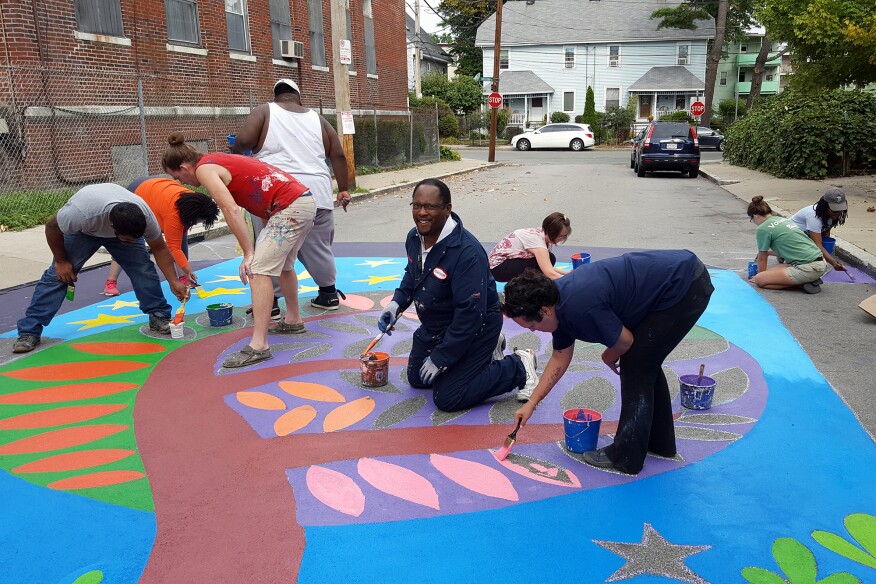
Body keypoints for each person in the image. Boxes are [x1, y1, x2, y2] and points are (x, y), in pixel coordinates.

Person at [501, 250, 714, 475]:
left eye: (531, 326)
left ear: (544, 311)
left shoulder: (579, 306)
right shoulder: (555, 304)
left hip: (683, 285)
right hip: (672, 279)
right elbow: (559, 357)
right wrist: (531, 403)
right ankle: (659, 443)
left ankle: (626, 456)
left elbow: (625, 341)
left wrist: (608, 355)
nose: (534, 331)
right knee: (645, 360)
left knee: (636, 364)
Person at [376, 178, 540, 412]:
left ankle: (518, 365)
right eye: (416, 205)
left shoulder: (467, 252)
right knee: (418, 378)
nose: (422, 212)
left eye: (430, 207)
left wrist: (442, 357)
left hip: (477, 324)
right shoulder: (414, 237)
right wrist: (396, 304)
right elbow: (413, 274)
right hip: (439, 324)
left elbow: (470, 314)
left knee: (448, 397)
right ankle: (484, 355)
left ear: (447, 209)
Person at [161, 133, 316, 368]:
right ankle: (293, 319)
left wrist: (249, 253)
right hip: (301, 202)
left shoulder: (204, 169)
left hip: (290, 207)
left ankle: (259, 346)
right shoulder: (216, 159)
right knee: (284, 266)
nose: (181, 182)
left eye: (177, 176)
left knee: (258, 269)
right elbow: (263, 194)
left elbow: (230, 209)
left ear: (184, 167)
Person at [13, 183, 189, 353]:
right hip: (85, 231)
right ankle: (29, 331)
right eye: (129, 240)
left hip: (117, 222)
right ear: (113, 228)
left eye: (137, 238)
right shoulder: (80, 214)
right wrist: (61, 261)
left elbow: (159, 248)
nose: (134, 243)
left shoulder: (145, 218)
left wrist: (173, 281)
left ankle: (158, 315)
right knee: (58, 276)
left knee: (143, 269)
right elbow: (52, 227)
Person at [232, 78, 351, 314]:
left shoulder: (264, 111)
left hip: (276, 192)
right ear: (299, 97)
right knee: (319, 246)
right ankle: (328, 294)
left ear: (276, 96)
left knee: (271, 247)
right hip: (316, 192)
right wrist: (344, 188)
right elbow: (337, 154)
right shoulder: (318, 119)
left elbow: (243, 141)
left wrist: (238, 153)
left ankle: (271, 303)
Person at [103, 177, 220, 296]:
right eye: (197, 221)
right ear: (192, 215)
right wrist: (189, 270)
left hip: (156, 188)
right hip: (138, 191)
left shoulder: (194, 201)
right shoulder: (174, 215)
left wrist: (186, 272)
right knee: (129, 239)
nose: (196, 224)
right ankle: (111, 281)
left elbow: (178, 244)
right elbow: (174, 248)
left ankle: (183, 277)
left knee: (180, 238)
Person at [748, 196, 829, 294]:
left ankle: (802, 284)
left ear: (755, 216)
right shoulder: (783, 220)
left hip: (808, 268)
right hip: (820, 263)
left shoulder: (763, 228)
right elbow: (790, 248)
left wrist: (759, 277)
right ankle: (806, 279)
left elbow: (761, 258)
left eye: (751, 219)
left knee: (760, 280)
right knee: (773, 271)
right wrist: (769, 253)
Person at [488, 212, 571, 282]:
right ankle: (519, 291)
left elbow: (547, 266)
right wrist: (572, 282)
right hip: (496, 269)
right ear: (552, 232)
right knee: (544, 267)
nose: (562, 239)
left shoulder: (542, 234)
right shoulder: (537, 242)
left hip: (504, 264)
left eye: (564, 236)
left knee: (550, 258)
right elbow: (549, 273)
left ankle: (523, 289)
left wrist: (567, 273)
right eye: (560, 236)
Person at [789, 187, 848, 273]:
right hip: (791, 237)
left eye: (840, 210)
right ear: (825, 206)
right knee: (808, 264)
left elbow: (825, 232)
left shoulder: (831, 214)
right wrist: (834, 263)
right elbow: (818, 245)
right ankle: (785, 254)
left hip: (806, 235)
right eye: (834, 211)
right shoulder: (813, 216)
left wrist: (825, 257)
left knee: (818, 258)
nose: (837, 214)